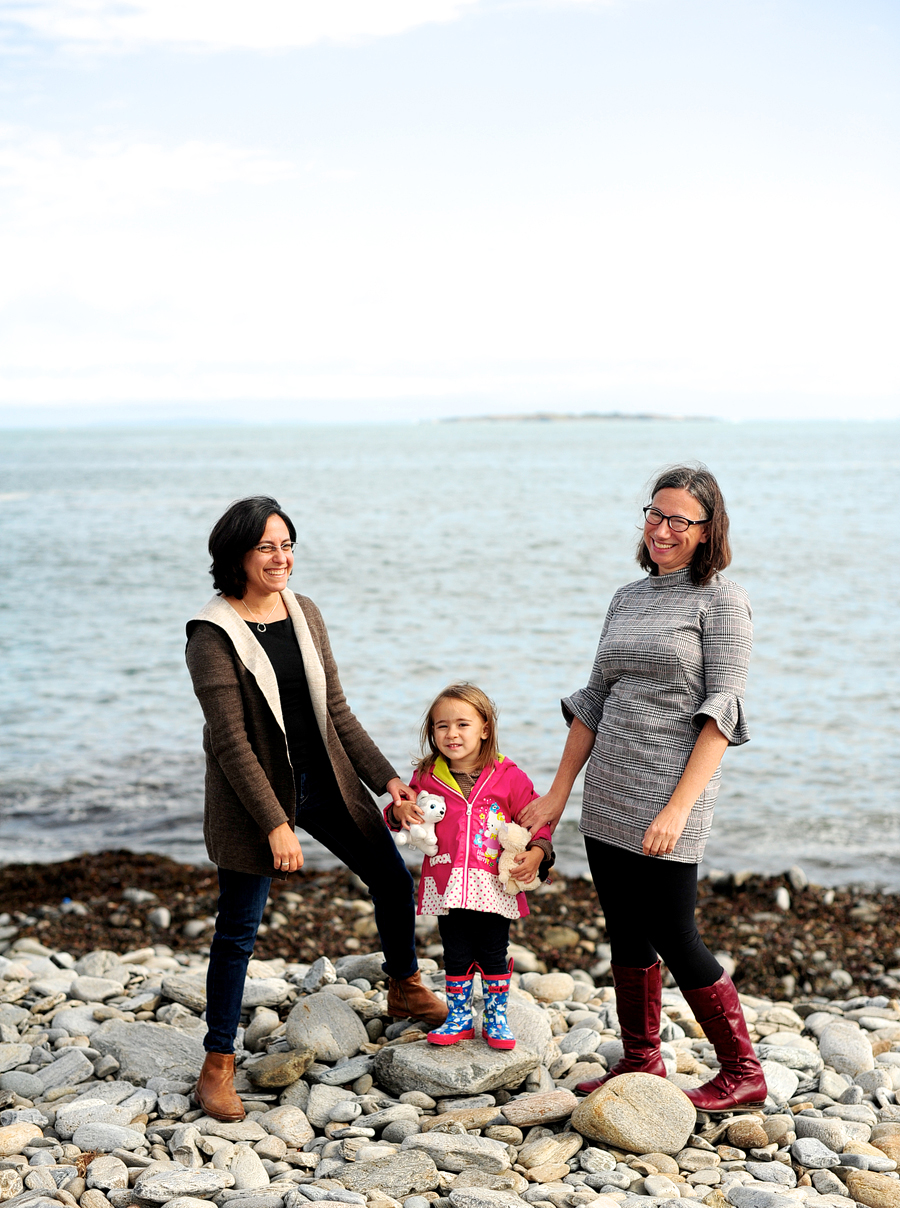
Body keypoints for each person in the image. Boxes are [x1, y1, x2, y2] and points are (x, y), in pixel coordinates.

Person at [185, 496, 446, 1122]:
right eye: (267, 547)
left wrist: (388, 782)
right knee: (237, 931)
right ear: (237, 556)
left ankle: (405, 987)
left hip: (324, 779)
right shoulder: (211, 633)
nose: (282, 559)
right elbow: (230, 741)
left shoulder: (304, 613)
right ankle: (217, 1063)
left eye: (288, 545)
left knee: (390, 877)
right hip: (253, 795)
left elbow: (337, 711)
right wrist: (276, 821)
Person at [519, 464, 765, 1112]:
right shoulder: (627, 598)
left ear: (708, 530)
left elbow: (723, 713)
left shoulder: (723, 600)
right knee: (625, 930)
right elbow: (594, 698)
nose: (661, 529)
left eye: (679, 520)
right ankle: (641, 1061)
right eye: (654, 515)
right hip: (608, 789)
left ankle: (743, 1071)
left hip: (669, 794)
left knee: (674, 932)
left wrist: (679, 809)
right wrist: (557, 793)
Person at [387, 684, 554, 1049]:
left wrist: (539, 851)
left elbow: (538, 820)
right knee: (456, 949)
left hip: (493, 882)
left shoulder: (509, 777)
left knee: (493, 949)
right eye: (441, 726)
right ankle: (459, 1016)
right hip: (448, 880)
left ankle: (496, 1017)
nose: (452, 734)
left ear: (485, 729)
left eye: (463, 724)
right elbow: (405, 813)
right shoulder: (427, 775)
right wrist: (398, 811)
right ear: (432, 732)